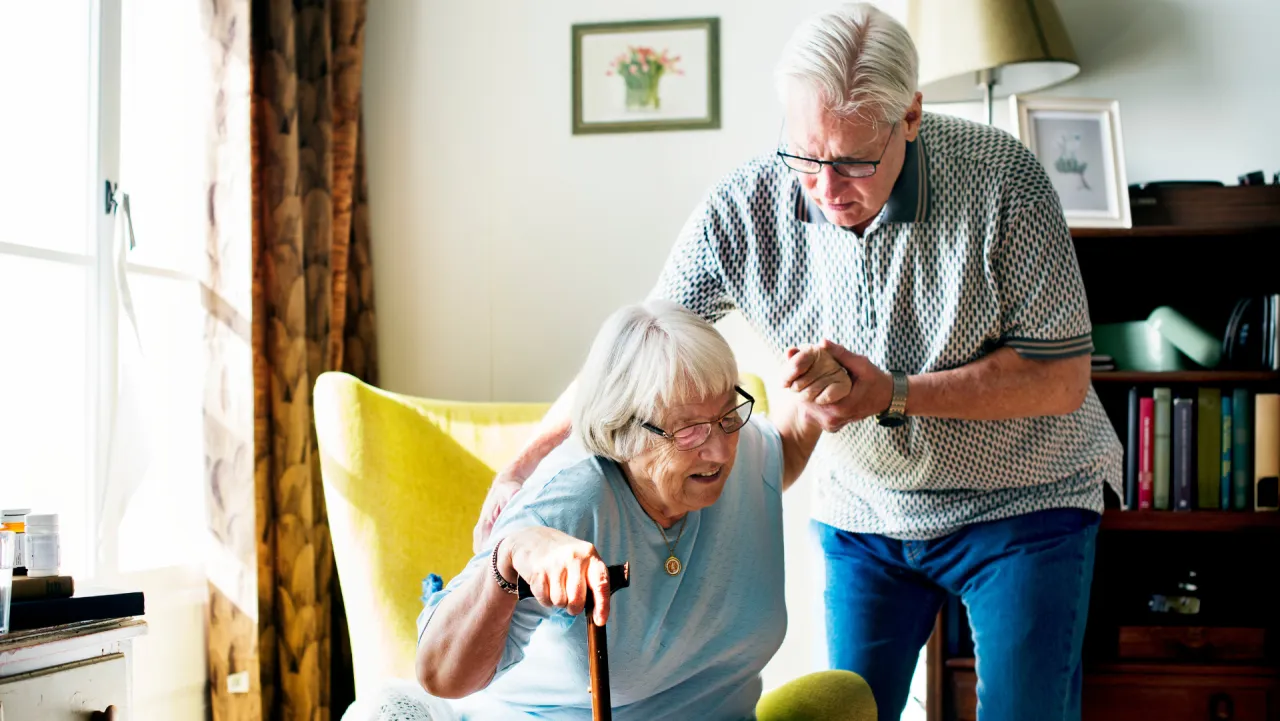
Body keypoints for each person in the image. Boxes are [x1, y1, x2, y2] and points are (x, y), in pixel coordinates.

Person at [473, 4, 1123, 721]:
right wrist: (523, 464)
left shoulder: (1003, 180)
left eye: (853, 161)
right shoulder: (744, 206)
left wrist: (892, 392)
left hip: (1023, 500)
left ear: (910, 115)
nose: (825, 186)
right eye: (806, 155)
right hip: (866, 510)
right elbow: (634, 358)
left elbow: (1061, 377)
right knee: (846, 708)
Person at [382, 299, 874, 720]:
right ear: (622, 432)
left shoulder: (743, 451)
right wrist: (508, 559)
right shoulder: (570, 501)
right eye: (688, 431)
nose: (721, 450)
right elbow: (441, 674)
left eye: (728, 413)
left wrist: (815, 397)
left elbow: (777, 456)